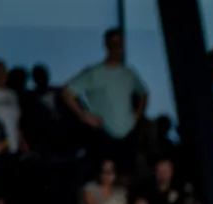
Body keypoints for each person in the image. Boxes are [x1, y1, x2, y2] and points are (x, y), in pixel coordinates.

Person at [61, 29, 148, 174]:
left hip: (127, 133)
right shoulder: (95, 72)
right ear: (106, 45)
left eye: (119, 43)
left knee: (125, 176)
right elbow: (67, 92)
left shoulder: (128, 73)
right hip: (104, 132)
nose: (117, 47)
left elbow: (143, 93)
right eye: (113, 43)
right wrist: (84, 115)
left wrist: (137, 115)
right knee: (102, 177)